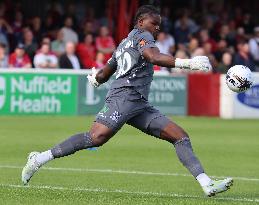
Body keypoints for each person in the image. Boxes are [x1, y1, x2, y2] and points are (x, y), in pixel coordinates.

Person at [21, 5, 233, 197]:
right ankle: (38, 159)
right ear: (141, 22)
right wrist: (189, 63)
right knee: (96, 138)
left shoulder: (124, 43)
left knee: (180, 136)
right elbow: (153, 57)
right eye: (154, 23)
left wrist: (96, 78)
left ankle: (207, 184)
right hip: (123, 97)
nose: (157, 28)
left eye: (159, 25)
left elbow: (106, 72)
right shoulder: (143, 36)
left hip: (139, 103)